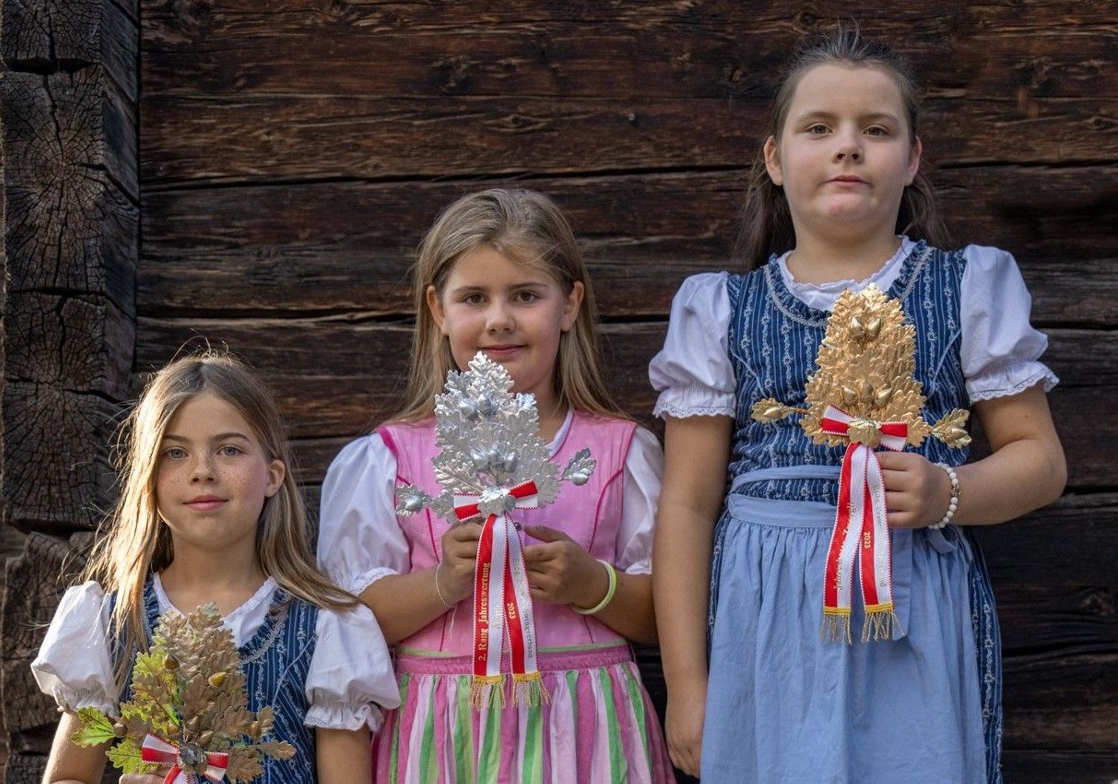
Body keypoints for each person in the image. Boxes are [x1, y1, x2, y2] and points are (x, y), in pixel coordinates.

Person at [649, 30, 1067, 784]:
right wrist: (688, 684)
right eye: (819, 128)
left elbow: (1041, 462)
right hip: (764, 617)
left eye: (875, 130)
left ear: (911, 160)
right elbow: (684, 504)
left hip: (914, 606)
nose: (848, 148)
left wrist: (951, 491)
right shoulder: (720, 309)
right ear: (775, 160)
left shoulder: (968, 286)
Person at [318, 188, 676, 783]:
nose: (498, 319)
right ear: (437, 310)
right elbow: (350, 619)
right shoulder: (389, 458)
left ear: (569, 305)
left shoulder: (620, 452)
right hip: (441, 736)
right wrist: (441, 582)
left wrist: (595, 585)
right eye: (474, 298)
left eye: (526, 295)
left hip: (586, 728)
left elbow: (671, 612)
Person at [32, 350, 400, 784]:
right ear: (147, 479)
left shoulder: (327, 628)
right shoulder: (109, 625)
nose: (202, 471)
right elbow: (67, 777)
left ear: (272, 476)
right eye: (175, 452)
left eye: (229, 449)